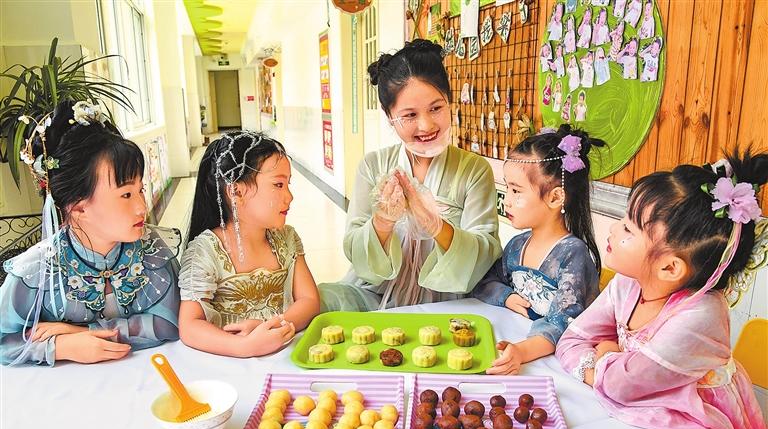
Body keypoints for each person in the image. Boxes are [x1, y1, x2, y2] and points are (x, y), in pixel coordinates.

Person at [556, 151, 768, 429]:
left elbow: (620, 385)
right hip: (642, 426)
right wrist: (608, 364)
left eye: (629, 228)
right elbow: (572, 340)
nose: (615, 229)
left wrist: (604, 352)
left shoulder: (701, 315)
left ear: (669, 268)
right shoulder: (628, 283)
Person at [319, 39, 501, 311]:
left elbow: (484, 252)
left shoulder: (474, 170)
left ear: (449, 101)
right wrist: (382, 221)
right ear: (389, 115)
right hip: (375, 296)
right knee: (319, 304)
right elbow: (355, 249)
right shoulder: (373, 165)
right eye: (409, 115)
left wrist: (435, 225)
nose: (426, 125)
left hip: (447, 300)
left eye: (436, 108)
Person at [0, 100, 181, 366]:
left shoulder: (152, 249)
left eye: (140, 190)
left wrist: (82, 333)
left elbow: (169, 323)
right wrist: (61, 347)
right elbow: (5, 341)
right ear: (79, 208)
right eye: (126, 194)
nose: (142, 207)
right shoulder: (36, 270)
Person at [474, 125, 602, 375]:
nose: (507, 200)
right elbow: (485, 281)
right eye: (507, 188)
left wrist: (520, 352)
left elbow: (562, 322)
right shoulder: (517, 245)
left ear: (555, 198)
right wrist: (507, 297)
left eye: (516, 190)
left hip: (556, 361)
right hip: (520, 344)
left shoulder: (571, 254)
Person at [178, 131, 319, 357]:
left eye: (288, 184)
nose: (289, 196)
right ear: (236, 191)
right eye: (278, 185)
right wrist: (244, 347)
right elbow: (190, 326)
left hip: (286, 355)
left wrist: (276, 324)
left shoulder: (287, 239)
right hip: (228, 365)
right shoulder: (206, 251)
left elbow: (309, 300)